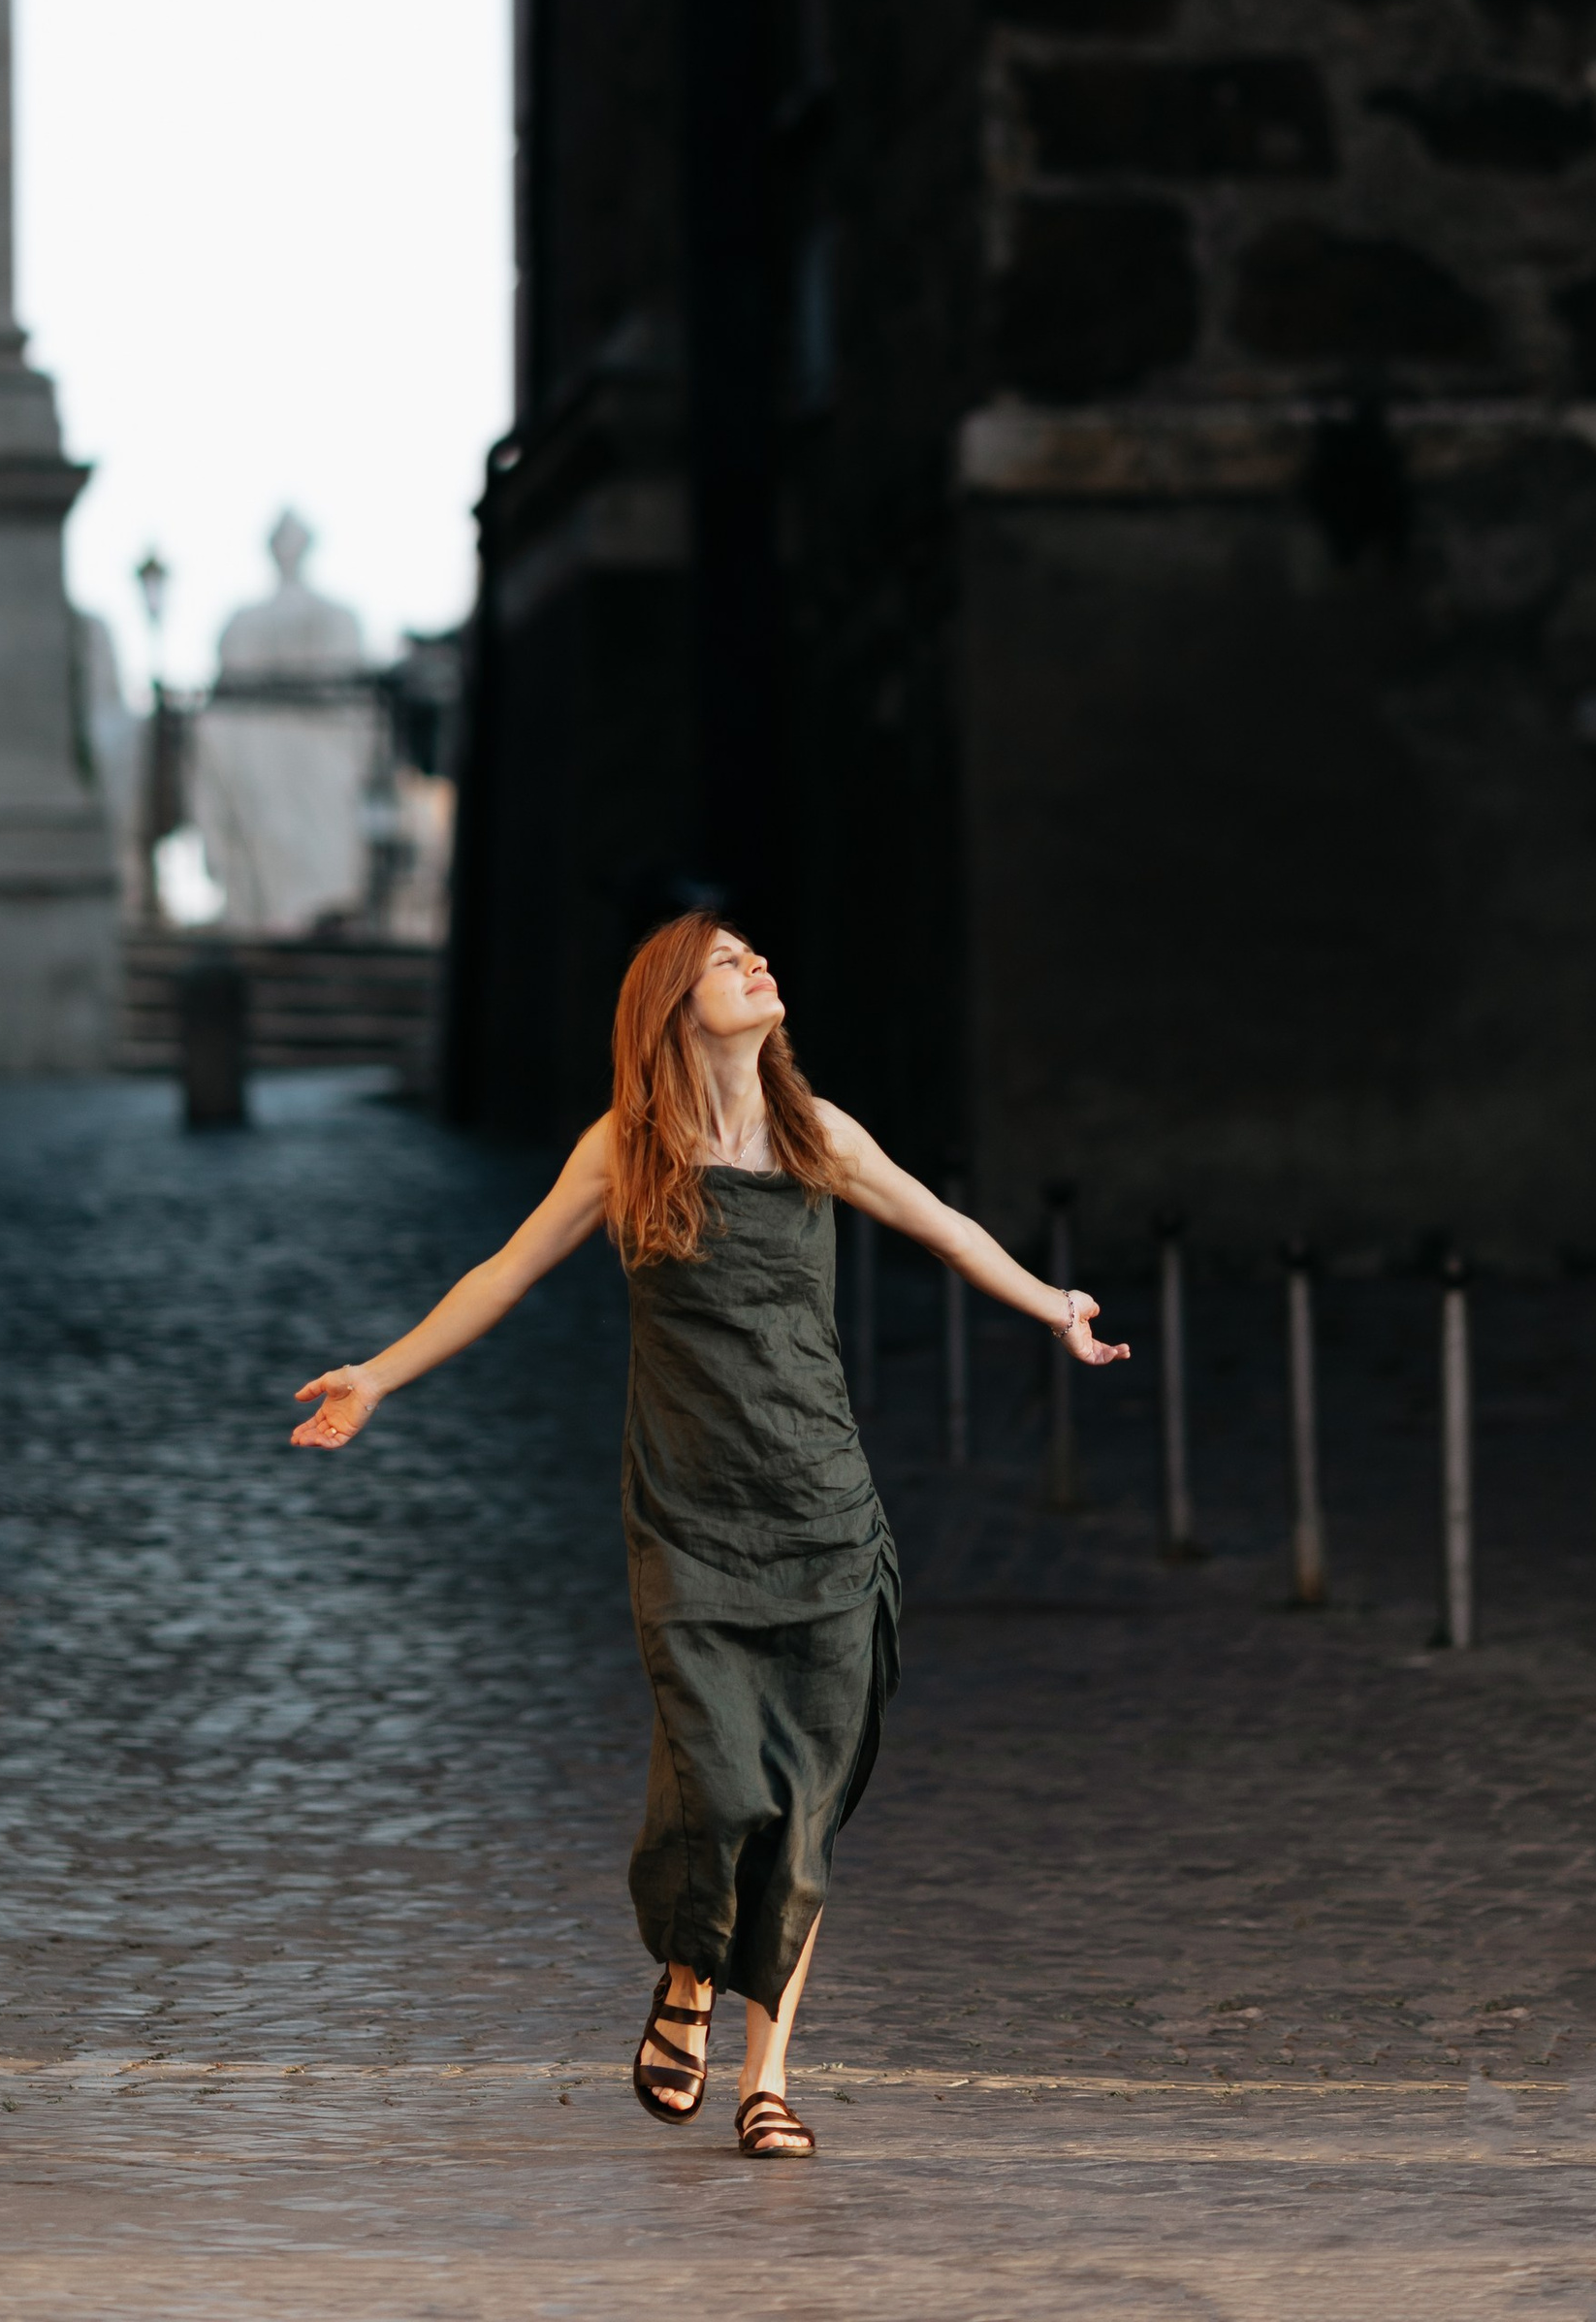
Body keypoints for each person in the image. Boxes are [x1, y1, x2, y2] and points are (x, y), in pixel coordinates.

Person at [292, 910, 1127, 2158]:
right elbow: (503, 1274)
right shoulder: (624, 1150)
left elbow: (945, 1227)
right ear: (676, 1008)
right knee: (720, 1776)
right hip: (690, 1514)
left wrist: (1056, 1305)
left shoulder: (816, 1133)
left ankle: (768, 2077)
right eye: (725, 962)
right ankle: (687, 1971)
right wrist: (379, 1374)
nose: (756, 965)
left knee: (803, 1806)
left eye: (755, 953)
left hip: (825, 1512)